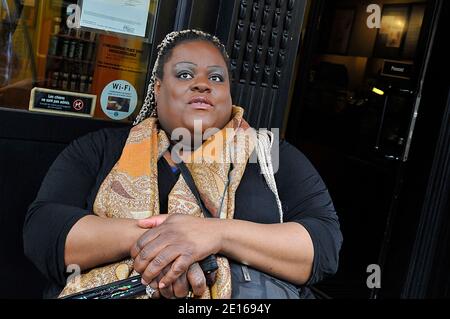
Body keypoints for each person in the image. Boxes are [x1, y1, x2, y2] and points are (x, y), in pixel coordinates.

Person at [23, 30, 343, 299]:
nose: (202, 84)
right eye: (186, 74)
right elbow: (44, 230)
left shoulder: (271, 154)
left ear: (229, 94)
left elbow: (322, 245)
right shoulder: (102, 149)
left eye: (216, 78)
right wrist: (166, 243)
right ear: (158, 88)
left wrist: (215, 236)